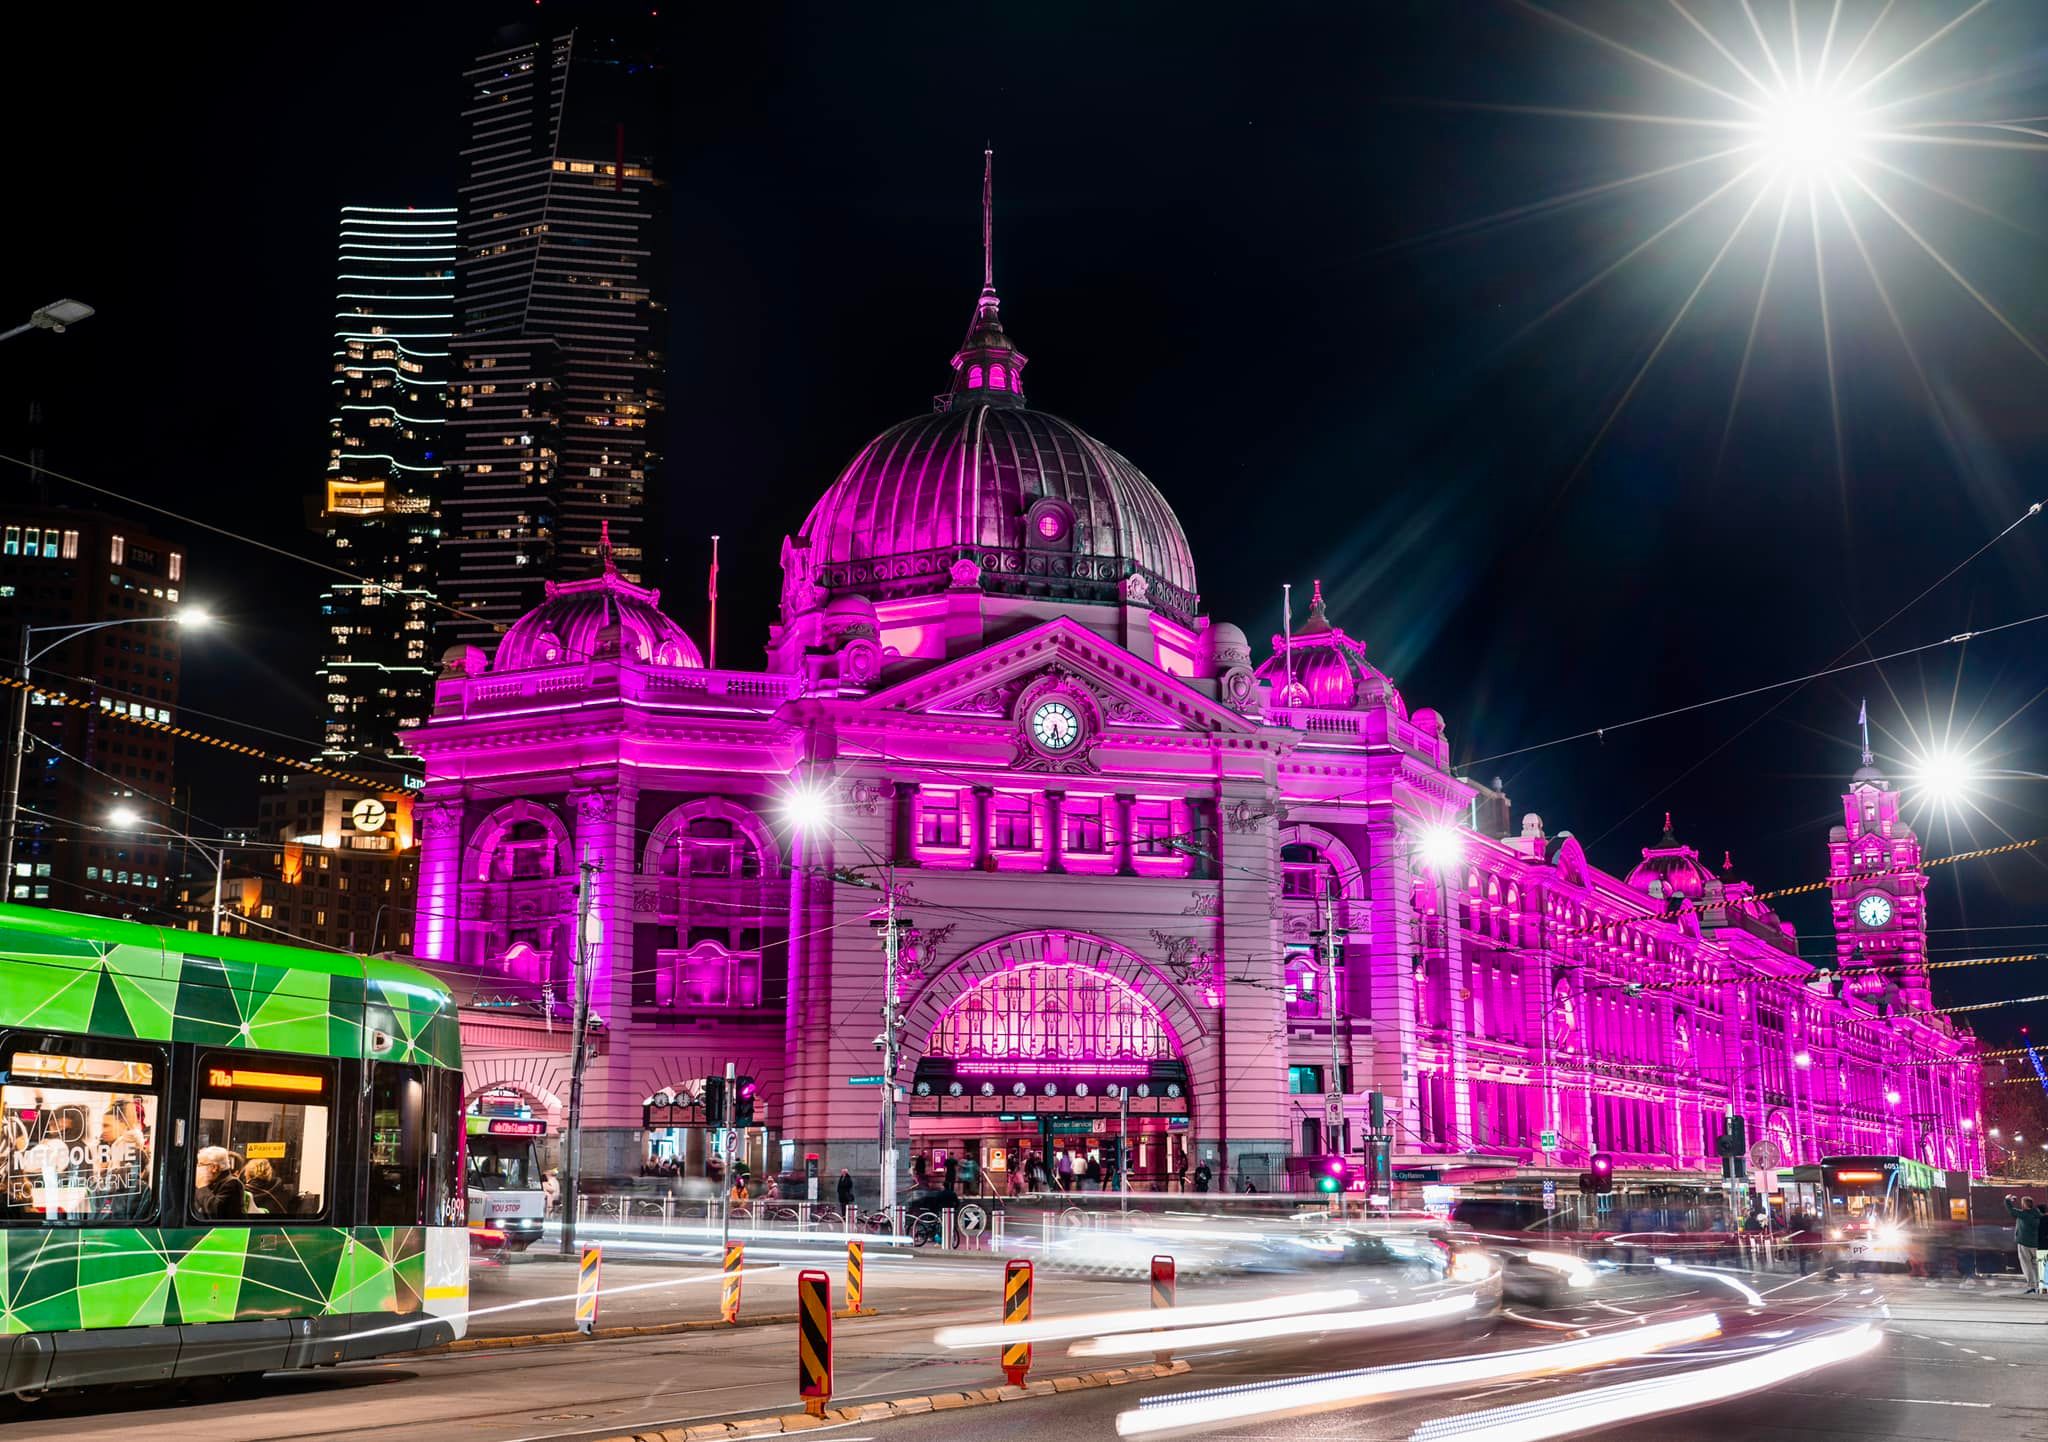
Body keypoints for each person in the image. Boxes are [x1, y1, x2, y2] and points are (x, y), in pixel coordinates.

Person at [194, 1147, 245, 1219]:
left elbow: (215, 1212)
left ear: (214, 1167)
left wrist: (202, 1186)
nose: (198, 1168)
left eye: (201, 1165)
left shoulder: (232, 1183)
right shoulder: (211, 1183)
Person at [2007, 1195, 2043, 1293]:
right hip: (2035, 1243)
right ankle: (2040, 1286)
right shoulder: (2037, 1213)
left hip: (2024, 1243)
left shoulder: (2024, 1214)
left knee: (2026, 1265)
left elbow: (2011, 1210)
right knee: (2035, 1265)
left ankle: (2031, 1286)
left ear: (2024, 1205)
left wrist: (2007, 1200)